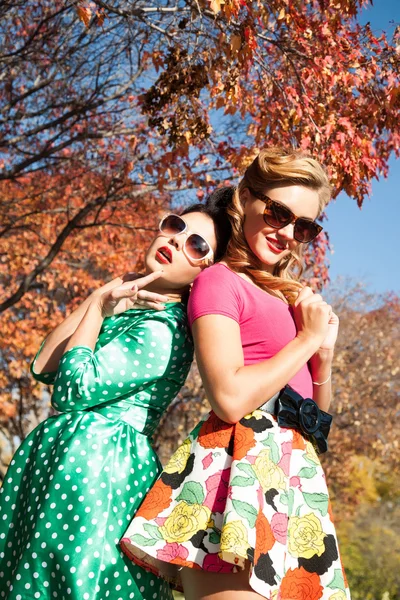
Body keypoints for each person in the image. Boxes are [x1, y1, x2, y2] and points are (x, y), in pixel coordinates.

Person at [121, 147, 351, 600]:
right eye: (278, 213)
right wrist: (304, 341)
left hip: (294, 480)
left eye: (302, 226)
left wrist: (322, 357)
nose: (286, 233)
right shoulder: (219, 281)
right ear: (246, 198)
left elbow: (313, 422)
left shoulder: (289, 297)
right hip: (234, 473)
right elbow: (227, 397)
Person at [0, 195, 232, 600]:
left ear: (205, 271)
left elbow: (72, 390)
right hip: (70, 457)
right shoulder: (130, 306)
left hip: (99, 467)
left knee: (73, 582)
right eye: (176, 226)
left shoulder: (166, 331)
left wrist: (97, 310)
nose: (178, 241)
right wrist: (106, 295)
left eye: (197, 245)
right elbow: (44, 365)